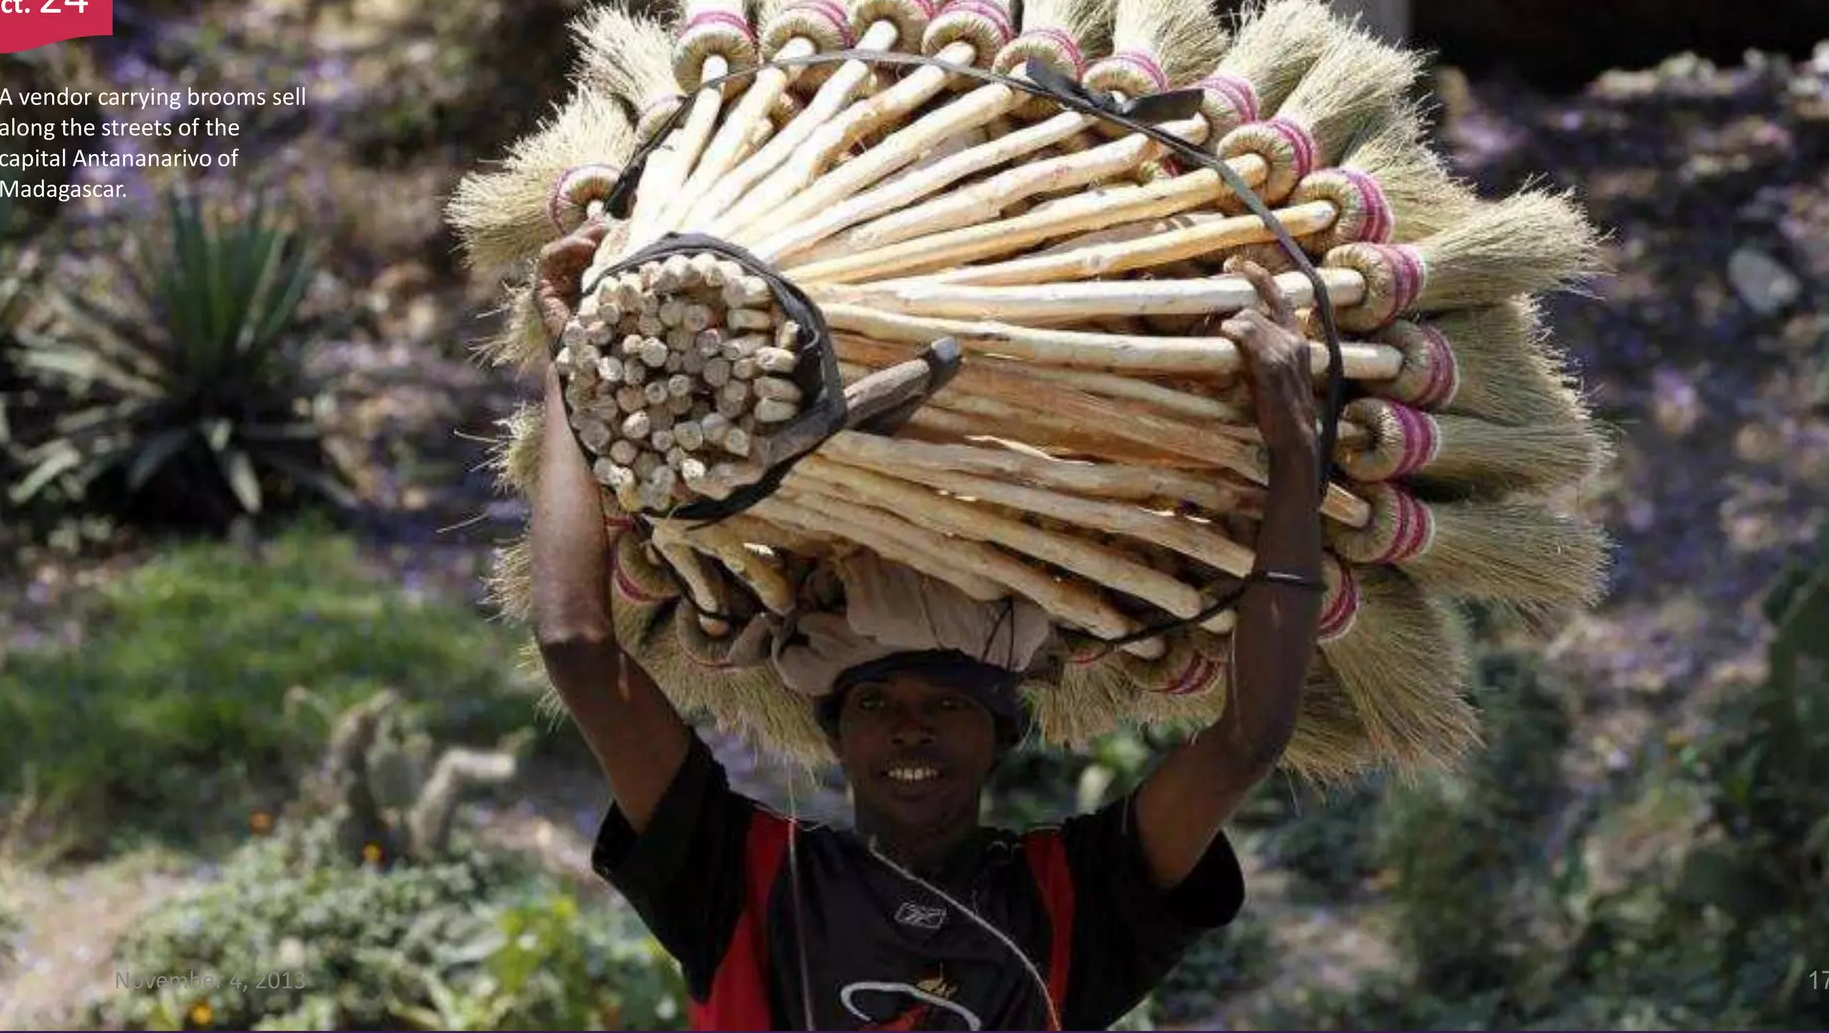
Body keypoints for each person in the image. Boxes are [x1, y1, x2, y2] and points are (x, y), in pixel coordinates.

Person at [528, 219, 1325, 1031]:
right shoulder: (743, 880)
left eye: (945, 703)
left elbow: (576, 646)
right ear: (837, 735)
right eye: (876, 705)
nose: (909, 730)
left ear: (1000, 733)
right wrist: (1294, 453)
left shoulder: (1072, 900)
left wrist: (570, 374)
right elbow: (1248, 741)